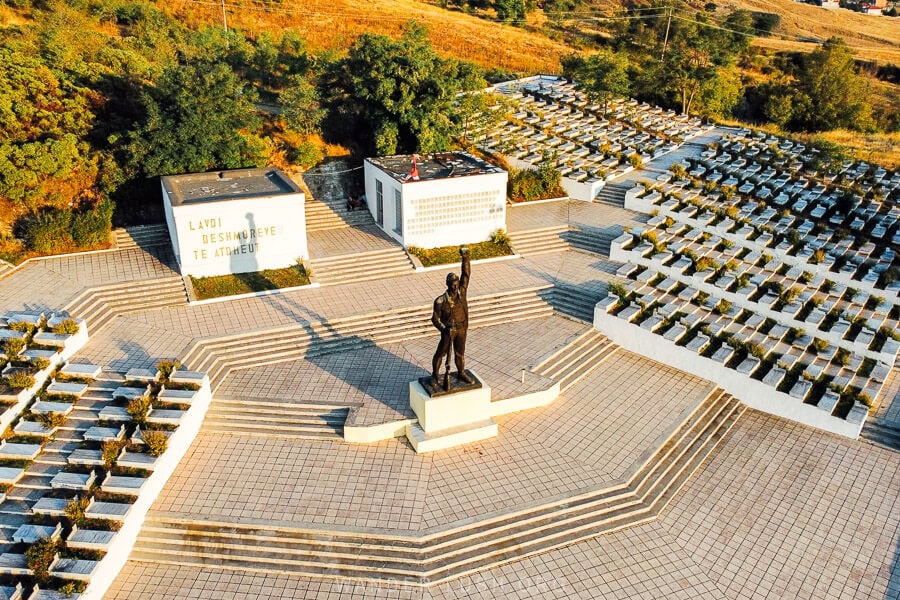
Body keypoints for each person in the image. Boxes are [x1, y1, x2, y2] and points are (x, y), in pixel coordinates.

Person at [431, 246, 472, 388]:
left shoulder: (462, 292)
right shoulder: (440, 301)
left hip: (461, 329)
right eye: (453, 285)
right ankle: (435, 376)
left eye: (456, 284)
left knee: (460, 353)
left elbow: (466, 274)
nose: (455, 287)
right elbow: (435, 318)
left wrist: (465, 257)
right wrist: (444, 329)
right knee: (441, 354)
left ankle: (461, 372)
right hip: (448, 331)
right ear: (448, 285)